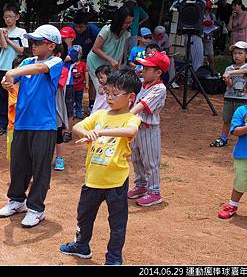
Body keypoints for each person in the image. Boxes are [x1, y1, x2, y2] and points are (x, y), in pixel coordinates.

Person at [59, 67, 141, 265]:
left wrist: (102, 133)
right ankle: (82, 246)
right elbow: (78, 126)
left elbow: (131, 130)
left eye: (115, 93)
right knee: (84, 216)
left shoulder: (131, 118)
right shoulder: (100, 115)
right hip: (92, 180)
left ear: (130, 96)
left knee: (117, 223)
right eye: (107, 92)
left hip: (116, 182)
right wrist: (87, 133)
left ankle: (113, 258)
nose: (109, 97)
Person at [0, 24, 63, 228]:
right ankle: (17, 200)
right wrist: (7, 82)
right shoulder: (26, 61)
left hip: (44, 125)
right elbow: (9, 80)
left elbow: (39, 69)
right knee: (18, 164)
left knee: (40, 168)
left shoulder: (55, 61)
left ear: (51, 45)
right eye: (31, 41)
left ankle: (36, 209)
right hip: (22, 122)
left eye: (37, 42)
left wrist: (12, 72)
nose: (32, 45)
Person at [217, 67, 247, 227]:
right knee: (240, 182)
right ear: (246, 92)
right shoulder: (241, 110)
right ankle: (232, 205)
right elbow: (235, 131)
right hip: (244, 155)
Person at [127, 51, 170, 207]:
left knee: (150, 161)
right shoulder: (144, 84)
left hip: (148, 129)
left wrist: (124, 117)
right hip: (136, 128)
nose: (143, 70)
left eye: (147, 68)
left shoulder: (160, 88)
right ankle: (141, 185)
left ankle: (154, 192)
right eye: (143, 67)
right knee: (136, 158)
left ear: (158, 73)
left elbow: (141, 106)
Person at [87, 6, 133, 111]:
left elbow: (121, 51)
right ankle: (96, 113)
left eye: (130, 22)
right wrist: (111, 60)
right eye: (126, 22)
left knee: (110, 88)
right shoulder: (106, 30)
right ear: (119, 20)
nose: (128, 25)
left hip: (110, 66)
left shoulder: (126, 34)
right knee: (103, 90)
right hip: (96, 64)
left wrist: (119, 67)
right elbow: (95, 49)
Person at [210, 41, 247, 148]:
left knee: (245, 120)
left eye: (240, 53)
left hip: (244, 99)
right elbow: (229, 85)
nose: (236, 56)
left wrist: (230, 73)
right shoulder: (229, 68)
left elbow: (244, 71)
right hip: (230, 97)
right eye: (235, 53)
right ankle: (223, 138)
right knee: (227, 119)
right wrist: (226, 79)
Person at [0, 3, 29, 136]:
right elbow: (2, 46)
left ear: (17, 17)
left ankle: (16, 122)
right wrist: (3, 35)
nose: (8, 19)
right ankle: (1, 124)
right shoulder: (1, 31)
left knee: (17, 94)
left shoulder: (22, 32)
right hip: (2, 67)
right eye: (5, 17)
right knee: (2, 95)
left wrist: (8, 39)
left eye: (10, 16)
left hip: (17, 69)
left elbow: (21, 50)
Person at [69, 13, 100, 109]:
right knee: (74, 78)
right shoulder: (71, 30)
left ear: (87, 25)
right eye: (76, 26)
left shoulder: (94, 30)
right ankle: (74, 103)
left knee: (91, 79)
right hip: (74, 58)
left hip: (91, 57)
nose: (78, 29)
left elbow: (99, 45)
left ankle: (91, 102)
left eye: (81, 27)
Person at [60, 26, 81, 142]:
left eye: (65, 38)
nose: (62, 40)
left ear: (72, 38)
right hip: (58, 84)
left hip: (68, 84)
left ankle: (68, 131)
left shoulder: (74, 51)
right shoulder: (60, 50)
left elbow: (65, 58)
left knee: (69, 108)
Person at [52, 43, 70, 171]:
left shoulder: (63, 70)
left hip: (56, 107)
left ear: (58, 55)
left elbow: (58, 84)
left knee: (58, 134)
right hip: (44, 108)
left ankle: (59, 158)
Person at [6, 55, 26, 162]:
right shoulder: (12, 88)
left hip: (27, 127)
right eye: (16, 69)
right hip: (13, 126)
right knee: (14, 157)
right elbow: (17, 105)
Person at [202, 0, 217, 74]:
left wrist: (212, 25)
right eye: (205, 8)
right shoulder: (199, 15)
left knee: (211, 58)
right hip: (199, 38)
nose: (206, 10)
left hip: (208, 38)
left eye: (207, 9)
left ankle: (213, 73)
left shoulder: (212, 16)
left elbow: (215, 26)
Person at [71, 55, 88, 119]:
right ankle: (72, 112)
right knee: (71, 100)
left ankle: (78, 111)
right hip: (71, 86)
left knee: (79, 100)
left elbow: (86, 73)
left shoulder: (83, 64)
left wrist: (87, 83)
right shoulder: (70, 64)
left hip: (80, 86)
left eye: (79, 53)